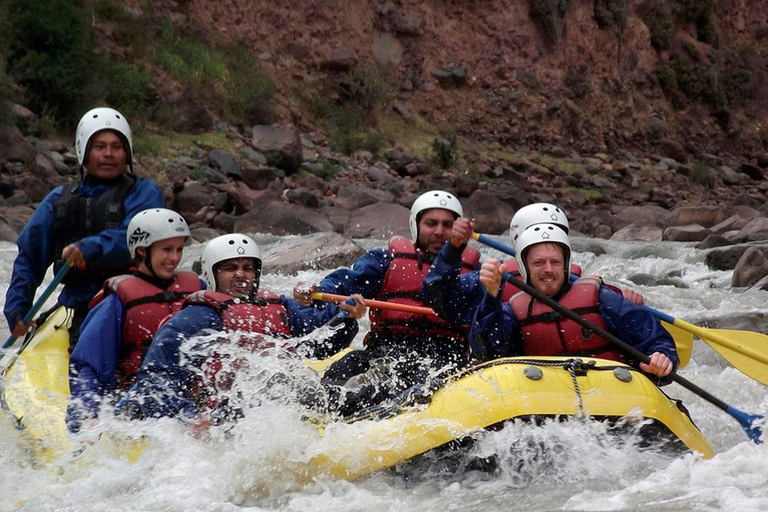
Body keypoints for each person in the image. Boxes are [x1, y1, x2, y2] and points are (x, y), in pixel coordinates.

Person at [117, 234, 362, 424]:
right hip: (221, 412)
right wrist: (189, 418)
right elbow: (157, 380)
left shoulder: (277, 306)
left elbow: (320, 341)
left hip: (274, 399)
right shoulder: (194, 318)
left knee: (326, 390)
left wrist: (346, 314)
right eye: (230, 268)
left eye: (248, 267)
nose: (241, 275)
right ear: (212, 274)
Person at [294, 190, 480, 418]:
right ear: (416, 224)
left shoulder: (477, 272)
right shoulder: (386, 260)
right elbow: (343, 283)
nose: (439, 232)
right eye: (431, 223)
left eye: (447, 225)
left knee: (408, 383)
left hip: (443, 356)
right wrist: (317, 293)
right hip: (385, 350)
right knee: (338, 375)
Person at [4, 107, 165, 348]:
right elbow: (30, 254)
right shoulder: (59, 200)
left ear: (127, 153)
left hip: (133, 303)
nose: (109, 154)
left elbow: (134, 236)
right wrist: (18, 308)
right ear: (84, 151)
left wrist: (88, 248)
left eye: (116, 147)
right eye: (100, 147)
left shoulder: (144, 193)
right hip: (80, 305)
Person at [469, 223, 677, 380]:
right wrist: (491, 296)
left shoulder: (603, 300)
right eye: (539, 263)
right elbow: (489, 351)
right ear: (524, 267)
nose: (548, 269)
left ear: (566, 265)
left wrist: (662, 357)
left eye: (555, 262)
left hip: (611, 394)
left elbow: (656, 340)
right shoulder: (512, 311)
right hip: (546, 401)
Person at [66, 208, 205, 432]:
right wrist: (86, 414)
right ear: (142, 251)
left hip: (191, 398)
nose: (175, 258)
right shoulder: (117, 301)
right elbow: (90, 365)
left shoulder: (197, 290)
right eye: (167, 249)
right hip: (139, 406)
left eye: (179, 249)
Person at [423, 202, 644, 326]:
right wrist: (453, 249)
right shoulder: (493, 278)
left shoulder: (587, 289)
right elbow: (438, 297)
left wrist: (631, 307)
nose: (545, 242)